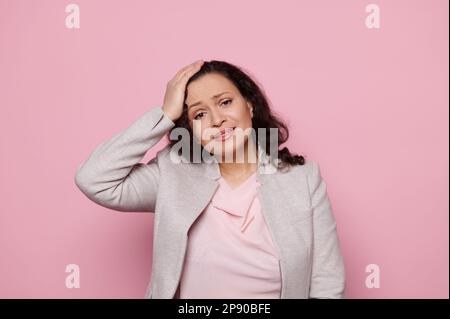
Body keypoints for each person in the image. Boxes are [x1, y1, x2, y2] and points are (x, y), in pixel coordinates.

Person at [74, 59, 345, 299]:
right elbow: (94, 179)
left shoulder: (303, 179)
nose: (216, 120)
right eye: (199, 114)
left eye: (225, 102)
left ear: (249, 105)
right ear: (190, 128)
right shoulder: (174, 172)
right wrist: (164, 115)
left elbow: (327, 283)